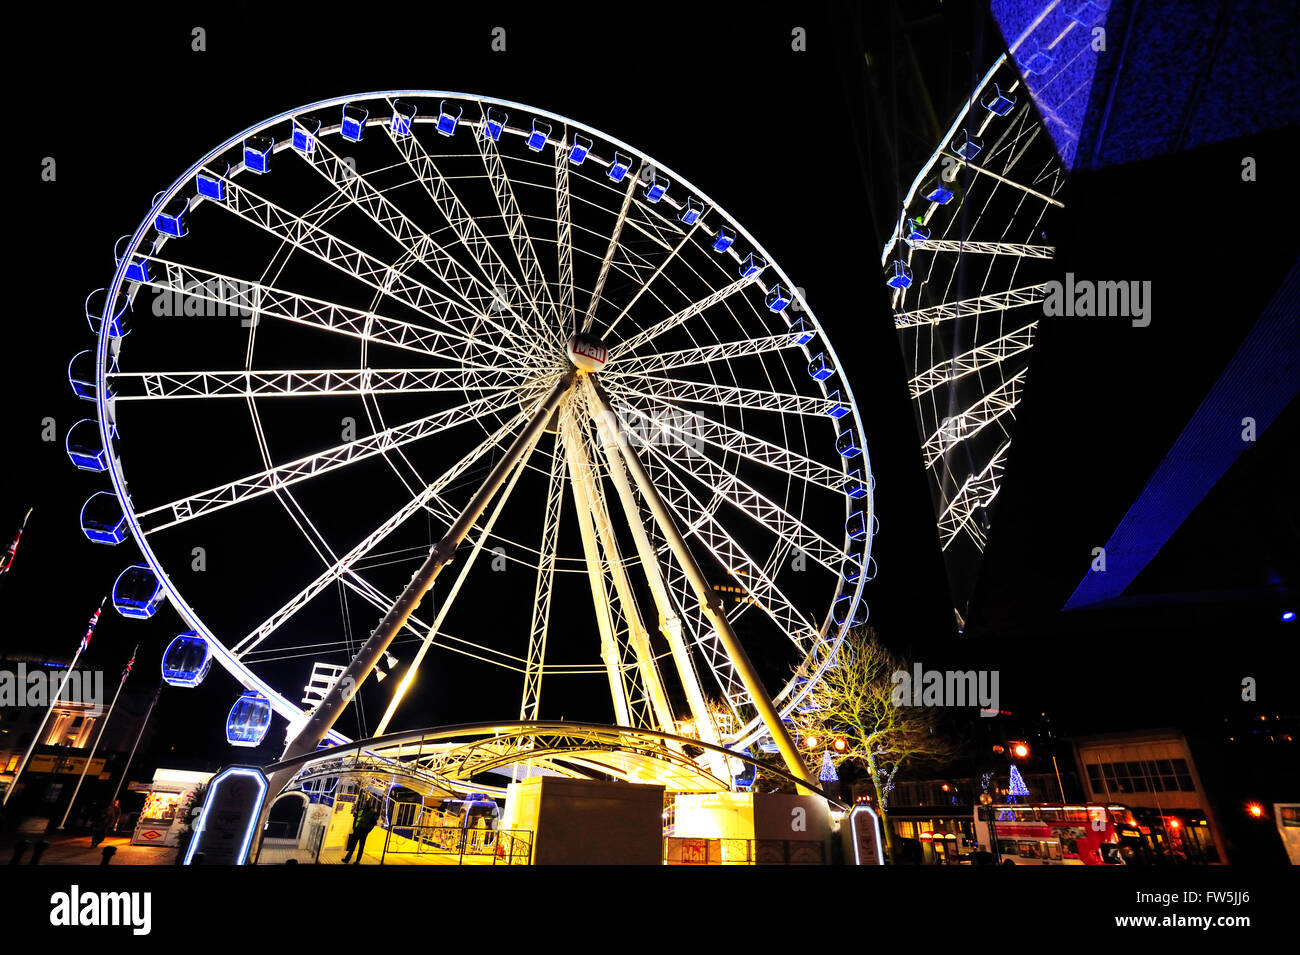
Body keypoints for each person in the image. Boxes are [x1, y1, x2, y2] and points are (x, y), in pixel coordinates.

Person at [342, 796, 380, 864]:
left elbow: (374, 823)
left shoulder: (372, 813)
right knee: (353, 846)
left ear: (370, 804)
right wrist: (354, 828)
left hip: (363, 831)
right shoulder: (361, 810)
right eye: (365, 803)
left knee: (360, 847)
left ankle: (357, 861)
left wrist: (367, 831)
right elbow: (356, 819)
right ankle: (347, 859)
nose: (365, 804)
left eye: (366, 803)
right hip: (358, 830)